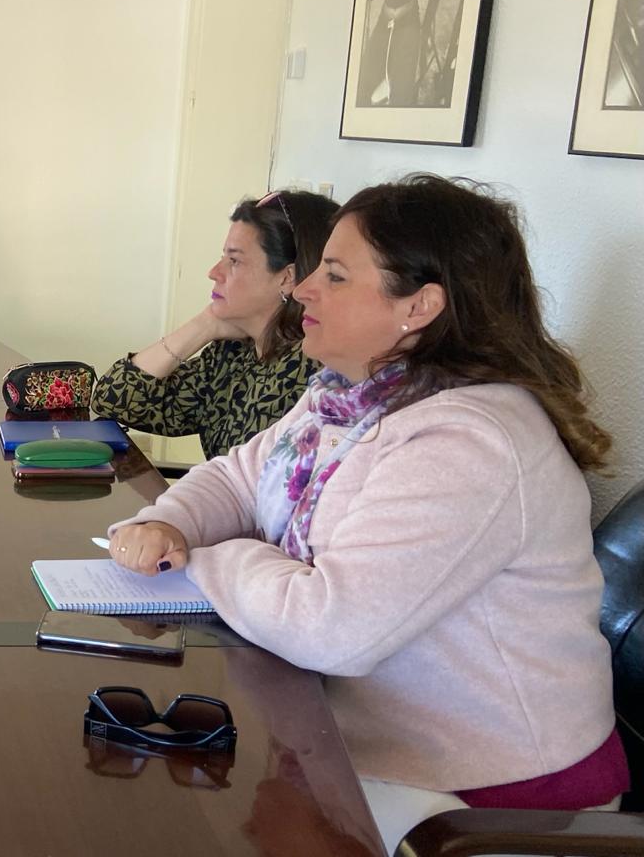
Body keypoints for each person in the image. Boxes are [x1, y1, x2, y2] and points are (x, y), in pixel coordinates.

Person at [105, 174, 627, 853]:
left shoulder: (469, 441)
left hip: (493, 793)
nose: (302, 290)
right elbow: (235, 477)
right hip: (366, 741)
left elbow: (332, 629)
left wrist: (205, 559)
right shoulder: (346, 396)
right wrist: (167, 523)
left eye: (336, 275)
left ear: (419, 306)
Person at [93, 191, 339, 459]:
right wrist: (204, 324)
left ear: (287, 277)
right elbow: (114, 399)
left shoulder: (313, 369)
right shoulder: (234, 354)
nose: (214, 272)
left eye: (234, 261)